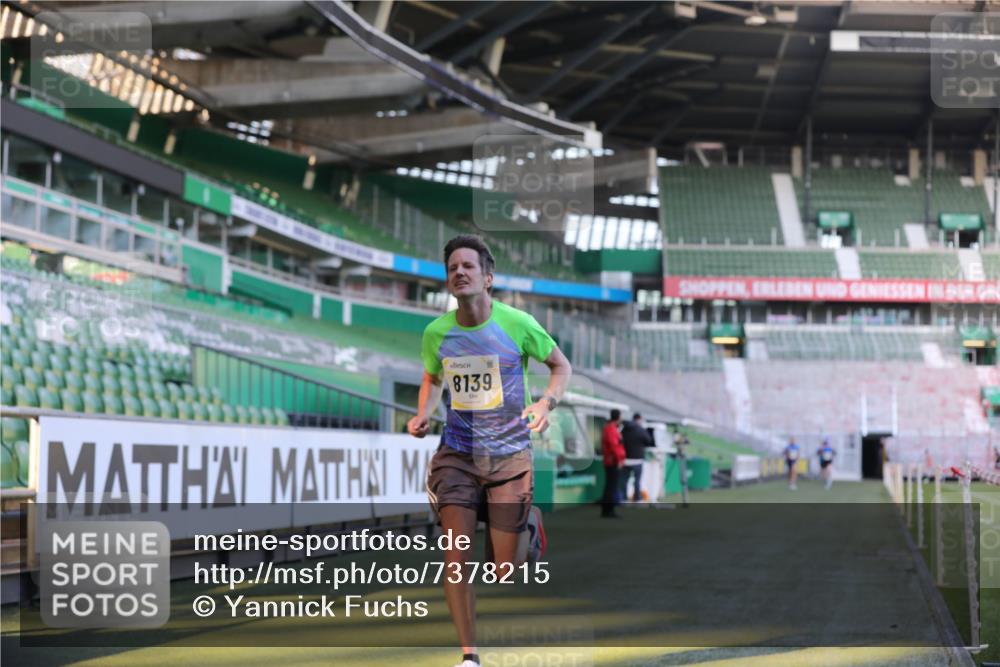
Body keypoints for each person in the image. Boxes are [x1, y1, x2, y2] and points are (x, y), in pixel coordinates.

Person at [407, 234, 572, 667]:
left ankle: (529, 527)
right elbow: (432, 377)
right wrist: (423, 412)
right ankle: (469, 656)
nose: (459, 272)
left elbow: (561, 366)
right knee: (455, 555)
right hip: (456, 457)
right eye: (452, 268)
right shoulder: (436, 332)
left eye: (468, 266)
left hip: (509, 457)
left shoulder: (517, 324)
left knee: (506, 570)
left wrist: (545, 402)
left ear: (488, 278)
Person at [620, 413, 653, 502]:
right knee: (637, 480)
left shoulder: (624, 429)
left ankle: (624, 498)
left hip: (625, 459)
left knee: (624, 480)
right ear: (639, 419)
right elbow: (648, 441)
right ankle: (637, 498)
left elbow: (619, 441)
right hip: (637, 460)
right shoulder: (641, 429)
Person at [601, 409, 625, 518]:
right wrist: (619, 459)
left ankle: (607, 510)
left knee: (610, 486)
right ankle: (608, 510)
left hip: (611, 460)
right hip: (612, 461)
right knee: (611, 486)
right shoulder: (611, 428)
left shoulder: (611, 428)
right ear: (618, 417)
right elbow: (614, 445)